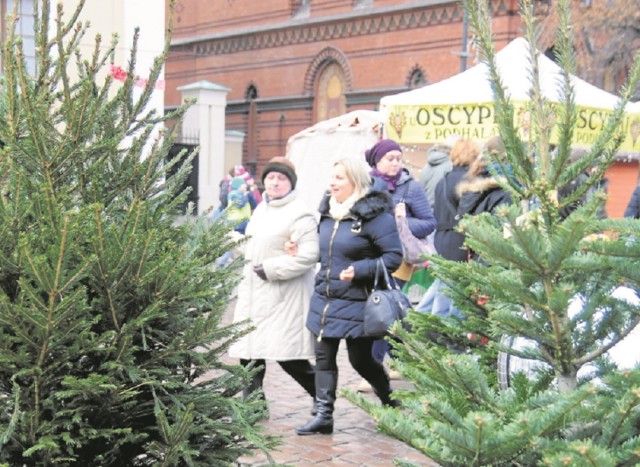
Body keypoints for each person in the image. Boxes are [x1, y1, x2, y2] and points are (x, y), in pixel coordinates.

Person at [295, 157, 403, 436]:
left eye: (339, 178)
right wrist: (299, 250)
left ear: (355, 181)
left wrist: (360, 270)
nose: (332, 183)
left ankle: (388, 399)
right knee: (323, 358)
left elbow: (393, 256)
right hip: (326, 297)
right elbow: (327, 251)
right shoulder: (328, 213)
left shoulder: (374, 215)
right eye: (331, 177)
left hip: (359, 301)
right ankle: (323, 415)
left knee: (361, 360)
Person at [227, 157, 319, 415]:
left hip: (284, 296)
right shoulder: (262, 209)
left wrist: (270, 269)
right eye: (271, 177)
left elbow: (308, 256)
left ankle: (322, 398)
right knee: (250, 353)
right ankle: (254, 407)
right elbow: (256, 246)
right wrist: (231, 240)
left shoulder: (300, 214)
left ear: (291, 183)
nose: (275, 182)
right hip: (255, 294)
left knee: (290, 357)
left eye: (281, 178)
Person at [361, 138, 437, 390]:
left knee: (381, 309)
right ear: (377, 162)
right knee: (385, 311)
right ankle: (401, 363)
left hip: (399, 258)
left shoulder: (410, 187)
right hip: (370, 256)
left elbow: (428, 222)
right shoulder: (366, 185)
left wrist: (401, 220)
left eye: (398, 158)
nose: (395, 163)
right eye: (389, 159)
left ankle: (373, 369)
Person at [415, 138, 481, 319]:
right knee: (452, 291)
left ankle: (420, 318)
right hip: (459, 239)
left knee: (443, 283)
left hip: (441, 237)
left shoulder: (443, 180)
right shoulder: (470, 180)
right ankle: (441, 329)